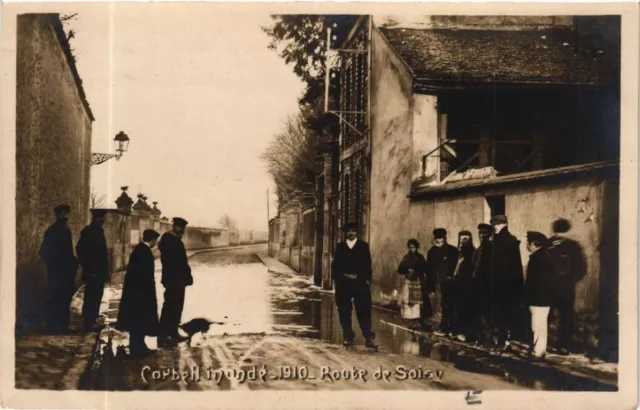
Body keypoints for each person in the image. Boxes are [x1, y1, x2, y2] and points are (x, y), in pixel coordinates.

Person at [331, 222, 377, 348]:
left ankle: (368, 337)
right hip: (344, 283)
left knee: (363, 310)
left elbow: (367, 265)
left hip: (359, 283)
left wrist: (364, 279)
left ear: (357, 232)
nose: (351, 233)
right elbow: (335, 266)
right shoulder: (340, 247)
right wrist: (339, 279)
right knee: (344, 310)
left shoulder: (363, 246)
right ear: (345, 233)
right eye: (349, 231)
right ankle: (348, 336)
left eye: (354, 231)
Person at [116, 229, 161, 357]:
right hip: (141, 294)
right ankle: (137, 348)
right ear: (152, 239)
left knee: (138, 320)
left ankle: (139, 345)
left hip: (136, 292)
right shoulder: (144, 252)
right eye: (155, 240)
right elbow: (144, 276)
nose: (155, 243)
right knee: (138, 320)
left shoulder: (140, 250)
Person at [548, 218, 587, 355]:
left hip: (548, 288)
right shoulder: (573, 246)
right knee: (566, 318)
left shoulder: (548, 244)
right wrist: (570, 281)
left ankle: (542, 344)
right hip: (566, 289)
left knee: (546, 317)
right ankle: (563, 346)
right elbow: (582, 268)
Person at [39, 204, 79, 334]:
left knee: (65, 298)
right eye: (62, 214)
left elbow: (68, 252)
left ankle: (63, 326)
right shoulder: (51, 231)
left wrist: (72, 263)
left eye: (66, 214)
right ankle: (51, 326)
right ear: (57, 215)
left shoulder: (66, 230)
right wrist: (54, 264)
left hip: (66, 272)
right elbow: (43, 252)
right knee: (54, 297)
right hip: (56, 272)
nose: (64, 216)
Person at [490, 214, 525, 351]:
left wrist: (517, 287)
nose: (495, 226)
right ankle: (501, 341)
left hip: (507, 285)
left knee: (506, 315)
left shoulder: (510, 241)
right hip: (498, 285)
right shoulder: (496, 240)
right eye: (494, 224)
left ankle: (505, 342)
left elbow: (515, 266)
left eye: (498, 224)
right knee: (499, 315)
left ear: (505, 224)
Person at [158, 217, 193, 348]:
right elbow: (174, 262)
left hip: (176, 279)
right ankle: (167, 334)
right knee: (172, 306)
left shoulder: (171, 240)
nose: (182, 231)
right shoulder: (170, 240)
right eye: (180, 228)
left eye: (183, 228)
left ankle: (169, 333)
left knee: (174, 306)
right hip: (174, 279)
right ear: (175, 227)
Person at [76, 209, 110, 332]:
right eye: (100, 218)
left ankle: (92, 320)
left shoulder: (98, 231)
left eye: (103, 218)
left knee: (96, 295)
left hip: (98, 271)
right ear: (95, 218)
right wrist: (87, 266)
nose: (102, 220)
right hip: (93, 271)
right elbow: (80, 249)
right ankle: (88, 323)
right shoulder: (89, 231)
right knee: (92, 296)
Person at [524, 231, 554, 360]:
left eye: (528, 243)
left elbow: (536, 281)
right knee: (540, 326)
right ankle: (538, 351)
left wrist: (529, 296)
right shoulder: (544, 256)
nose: (526, 245)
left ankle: (538, 352)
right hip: (543, 298)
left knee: (537, 326)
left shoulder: (538, 258)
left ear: (533, 244)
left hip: (539, 298)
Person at [425, 228, 458, 337]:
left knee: (449, 306)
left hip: (448, 284)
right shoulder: (431, 252)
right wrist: (429, 286)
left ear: (445, 238)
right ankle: (441, 327)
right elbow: (429, 271)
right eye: (437, 238)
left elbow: (454, 267)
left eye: (441, 238)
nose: (439, 240)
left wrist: (450, 278)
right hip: (436, 283)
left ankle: (450, 329)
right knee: (438, 305)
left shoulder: (452, 251)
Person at [472, 223, 494, 347]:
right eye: (480, 233)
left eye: (484, 233)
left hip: (486, 287)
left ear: (489, 234)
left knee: (485, 315)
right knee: (478, 313)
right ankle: (480, 339)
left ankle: (487, 340)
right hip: (477, 286)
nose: (481, 235)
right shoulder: (479, 249)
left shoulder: (490, 249)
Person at [453, 230, 476, 342]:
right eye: (461, 239)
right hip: (458, 284)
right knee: (458, 308)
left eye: (465, 239)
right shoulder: (459, 252)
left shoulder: (472, 252)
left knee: (467, 310)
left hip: (468, 285)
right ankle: (459, 331)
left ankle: (467, 334)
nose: (462, 241)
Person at [397, 239, 426, 330]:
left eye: (413, 247)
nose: (412, 249)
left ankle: (416, 321)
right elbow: (400, 269)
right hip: (408, 281)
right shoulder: (406, 257)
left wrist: (416, 271)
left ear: (416, 247)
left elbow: (424, 268)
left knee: (416, 301)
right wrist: (407, 269)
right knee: (406, 299)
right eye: (410, 247)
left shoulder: (420, 257)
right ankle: (408, 320)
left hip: (417, 281)